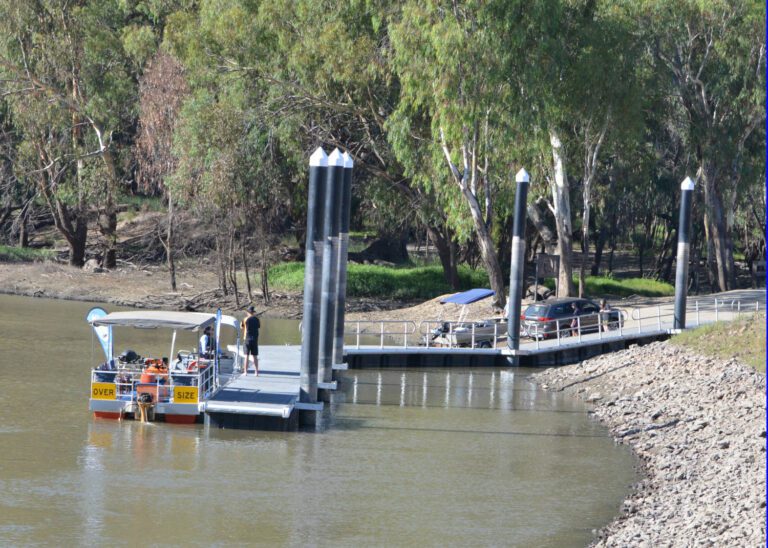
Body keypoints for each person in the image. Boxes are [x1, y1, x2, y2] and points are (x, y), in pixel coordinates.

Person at [242, 305, 261, 376]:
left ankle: (245, 372)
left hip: (247, 339)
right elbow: (259, 327)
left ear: (248, 312)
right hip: (255, 339)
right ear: (253, 312)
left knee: (246, 356)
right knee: (255, 356)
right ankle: (256, 372)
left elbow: (242, 326)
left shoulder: (245, 319)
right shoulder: (257, 319)